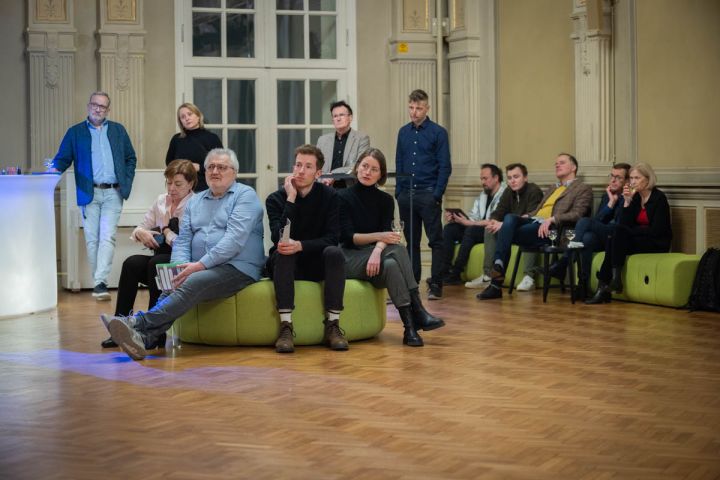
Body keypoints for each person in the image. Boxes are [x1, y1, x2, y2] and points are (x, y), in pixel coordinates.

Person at [101, 148, 266, 360]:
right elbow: (183, 240)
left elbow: (233, 241)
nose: (215, 171)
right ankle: (146, 338)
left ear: (234, 172)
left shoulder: (245, 196)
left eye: (222, 167)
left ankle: (137, 322)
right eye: (211, 167)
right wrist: (178, 268)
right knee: (171, 284)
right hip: (202, 267)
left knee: (192, 281)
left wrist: (198, 266)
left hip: (238, 267)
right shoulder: (196, 202)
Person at [338, 148, 445, 347]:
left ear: (381, 175)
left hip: (374, 257)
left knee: (391, 265)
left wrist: (377, 250)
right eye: (364, 166)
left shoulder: (386, 200)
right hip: (349, 257)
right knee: (398, 249)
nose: (367, 172)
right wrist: (379, 239)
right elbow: (348, 237)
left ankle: (409, 328)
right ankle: (419, 311)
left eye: (374, 169)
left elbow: (387, 232)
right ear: (357, 167)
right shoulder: (342, 197)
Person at [100, 160, 197, 349]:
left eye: (178, 184)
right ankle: (120, 327)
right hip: (161, 256)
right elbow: (141, 226)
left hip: (184, 261)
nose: (172, 188)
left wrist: (166, 232)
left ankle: (153, 333)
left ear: (190, 184)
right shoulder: (161, 201)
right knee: (131, 263)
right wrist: (141, 233)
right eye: (169, 183)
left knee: (156, 263)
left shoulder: (195, 204)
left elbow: (187, 243)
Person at [52, 91, 137, 301]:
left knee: (107, 236)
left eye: (102, 106)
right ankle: (99, 282)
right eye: (95, 105)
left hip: (114, 192)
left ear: (108, 110)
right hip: (89, 192)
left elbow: (130, 158)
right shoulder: (75, 132)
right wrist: (50, 174)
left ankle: (100, 283)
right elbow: (62, 159)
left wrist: (126, 180)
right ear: (89, 106)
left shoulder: (118, 130)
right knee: (92, 239)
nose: (98, 109)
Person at [265, 144, 348, 353]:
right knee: (284, 251)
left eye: (308, 167)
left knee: (335, 252)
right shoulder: (275, 199)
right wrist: (291, 198)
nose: (301, 171)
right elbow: (278, 238)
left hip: (316, 260)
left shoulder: (331, 197)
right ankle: (286, 327)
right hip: (286, 264)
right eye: (298, 165)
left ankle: (333, 325)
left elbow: (332, 238)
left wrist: (300, 246)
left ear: (318, 173)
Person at [478, 153, 593, 300]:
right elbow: (538, 211)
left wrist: (553, 219)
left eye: (562, 162)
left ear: (573, 167)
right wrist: (526, 217)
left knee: (505, 231)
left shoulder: (583, 188)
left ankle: (496, 282)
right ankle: (498, 264)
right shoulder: (553, 187)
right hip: (534, 221)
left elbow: (578, 214)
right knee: (509, 218)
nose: (557, 165)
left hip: (551, 229)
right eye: (556, 163)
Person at [586, 163, 672, 304]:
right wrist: (627, 202)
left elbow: (657, 230)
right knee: (614, 236)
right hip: (637, 239)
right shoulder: (635, 197)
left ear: (648, 179)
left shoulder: (659, 198)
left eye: (637, 178)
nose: (632, 182)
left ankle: (605, 287)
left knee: (615, 237)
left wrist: (630, 232)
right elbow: (624, 224)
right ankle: (613, 281)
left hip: (656, 242)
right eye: (631, 178)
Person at [395, 89, 452, 300]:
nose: (414, 112)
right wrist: (399, 192)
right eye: (411, 107)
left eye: (418, 108)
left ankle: (436, 284)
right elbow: (399, 162)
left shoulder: (438, 133)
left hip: (428, 193)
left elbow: (445, 166)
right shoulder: (403, 132)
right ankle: (412, 286)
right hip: (406, 195)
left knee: (436, 241)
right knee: (411, 242)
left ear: (427, 108)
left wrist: (437, 194)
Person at [547, 162, 631, 300]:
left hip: (617, 240)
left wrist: (620, 202)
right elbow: (597, 221)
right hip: (605, 236)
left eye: (618, 178)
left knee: (585, 221)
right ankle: (583, 285)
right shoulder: (608, 196)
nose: (613, 180)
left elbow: (621, 226)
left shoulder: (630, 197)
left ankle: (564, 262)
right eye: (612, 176)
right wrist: (610, 203)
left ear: (627, 181)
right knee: (587, 238)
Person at [465, 163, 544, 289]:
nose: (512, 181)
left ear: (525, 177)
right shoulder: (508, 191)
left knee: (528, 231)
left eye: (516, 177)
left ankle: (529, 277)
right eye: (510, 178)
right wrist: (494, 221)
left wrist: (504, 224)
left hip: (527, 227)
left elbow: (531, 216)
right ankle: (488, 276)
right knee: (490, 229)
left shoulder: (533, 190)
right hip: (510, 229)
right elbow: (498, 211)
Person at [440, 163, 506, 288]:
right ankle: (444, 272)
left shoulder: (505, 194)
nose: (483, 182)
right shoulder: (483, 195)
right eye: (481, 179)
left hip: (492, 230)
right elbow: (474, 217)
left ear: (496, 178)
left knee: (471, 230)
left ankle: (456, 272)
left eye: (485, 178)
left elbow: (493, 220)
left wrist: (470, 223)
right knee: (449, 229)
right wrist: (458, 219)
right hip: (477, 227)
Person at [165, 102, 223, 192]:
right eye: (183, 117)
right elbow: (169, 164)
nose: (187, 118)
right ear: (181, 122)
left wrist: (200, 167)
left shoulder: (212, 138)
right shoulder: (176, 139)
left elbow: (221, 165)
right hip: (181, 190)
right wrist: (182, 167)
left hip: (206, 189)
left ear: (198, 116)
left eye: (190, 114)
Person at [316, 100, 370, 181]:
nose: (338, 119)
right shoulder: (322, 140)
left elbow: (359, 165)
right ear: (332, 120)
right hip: (325, 185)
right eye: (335, 116)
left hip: (350, 185)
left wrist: (333, 175)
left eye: (341, 115)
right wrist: (323, 180)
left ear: (350, 118)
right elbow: (316, 166)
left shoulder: (362, 138)